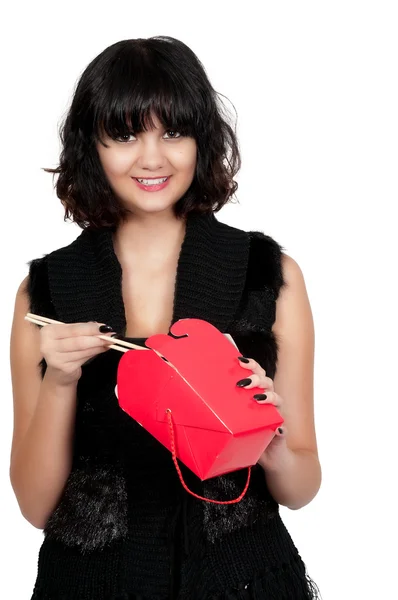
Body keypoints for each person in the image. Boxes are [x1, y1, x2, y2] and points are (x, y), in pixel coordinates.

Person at [9, 36, 322, 599]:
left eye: (173, 132)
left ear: (202, 140)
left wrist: (268, 441)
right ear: (92, 145)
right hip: (90, 585)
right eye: (126, 134)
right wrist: (59, 380)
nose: (152, 158)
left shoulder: (270, 276)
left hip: (241, 580)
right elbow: (35, 507)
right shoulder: (47, 292)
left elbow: (302, 486)